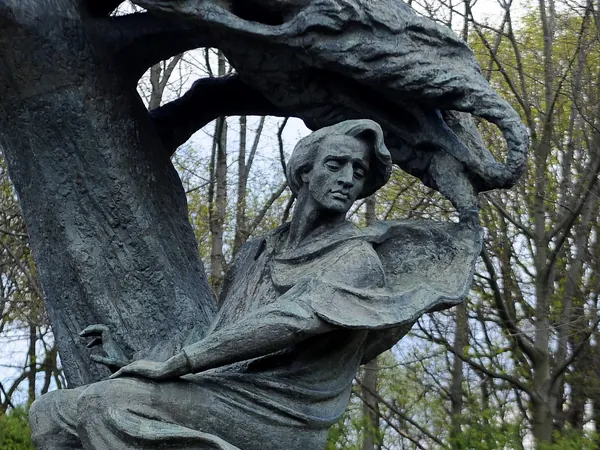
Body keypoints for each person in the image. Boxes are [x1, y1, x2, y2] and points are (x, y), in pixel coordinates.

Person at [29, 120, 481, 450]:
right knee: (49, 414)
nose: (347, 179)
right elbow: (221, 333)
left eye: (358, 172)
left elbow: (289, 320)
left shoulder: (356, 260)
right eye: (336, 164)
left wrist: (175, 366)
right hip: (224, 389)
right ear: (305, 172)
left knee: (106, 404)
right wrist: (134, 359)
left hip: (282, 414)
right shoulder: (256, 252)